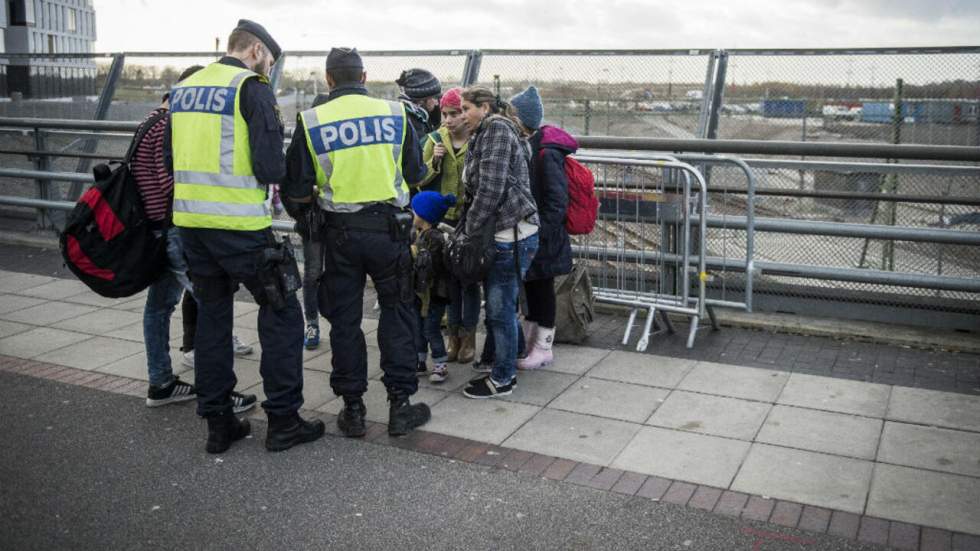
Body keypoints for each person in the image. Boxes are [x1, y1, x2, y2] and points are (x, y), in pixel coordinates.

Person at [165, 19, 325, 454]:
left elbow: (168, 158)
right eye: (269, 63)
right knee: (283, 315)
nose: (269, 71)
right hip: (241, 229)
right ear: (255, 51)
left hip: (193, 227)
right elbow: (270, 168)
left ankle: (219, 424)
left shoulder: (184, 90)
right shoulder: (250, 88)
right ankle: (284, 420)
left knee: (212, 319)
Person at [283, 47, 431, 438]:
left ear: (329, 80)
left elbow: (295, 190)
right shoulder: (395, 115)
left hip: (340, 234)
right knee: (397, 314)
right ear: (364, 77)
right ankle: (400, 406)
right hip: (390, 232)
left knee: (345, 322)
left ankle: (353, 410)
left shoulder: (312, 120)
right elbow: (417, 173)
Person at [132, 65, 256, 414]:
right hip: (175, 230)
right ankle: (217, 391)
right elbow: (171, 179)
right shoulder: (167, 124)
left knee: (158, 308)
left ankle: (161, 383)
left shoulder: (148, 121)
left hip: (155, 230)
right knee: (212, 306)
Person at [458, 87, 539, 399]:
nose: (463, 115)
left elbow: (490, 188)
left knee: (499, 309)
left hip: (510, 235)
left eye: (467, 108)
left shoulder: (495, 131)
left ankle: (504, 378)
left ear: (486, 106)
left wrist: (469, 230)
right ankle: (512, 353)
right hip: (509, 233)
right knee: (502, 303)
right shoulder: (490, 130)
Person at [511, 86, 576, 370]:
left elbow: (556, 199)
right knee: (533, 288)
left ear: (522, 118)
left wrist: (540, 231)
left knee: (543, 289)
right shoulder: (530, 145)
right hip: (535, 231)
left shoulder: (546, 153)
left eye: (512, 114)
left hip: (544, 234)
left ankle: (543, 347)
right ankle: (531, 341)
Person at [417, 87, 479, 364]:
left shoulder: (478, 140)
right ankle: (452, 337)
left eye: (455, 113)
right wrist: (435, 160)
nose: (449, 120)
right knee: (449, 284)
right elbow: (418, 177)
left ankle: (468, 337)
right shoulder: (433, 140)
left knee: (468, 283)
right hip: (441, 221)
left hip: (467, 219)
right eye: (444, 114)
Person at [410, 191, 456, 383]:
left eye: (414, 211)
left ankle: (440, 364)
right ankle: (419, 360)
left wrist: (412, 251)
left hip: (434, 294)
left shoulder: (434, 238)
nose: (412, 214)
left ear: (424, 216)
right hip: (421, 293)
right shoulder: (421, 234)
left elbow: (428, 265)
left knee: (430, 329)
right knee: (418, 328)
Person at [396, 68, 442, 150]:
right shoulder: (411, 120)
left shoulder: (421, 116)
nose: (437, 103)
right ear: (421, 101)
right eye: (435, 98)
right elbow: (420, 148)